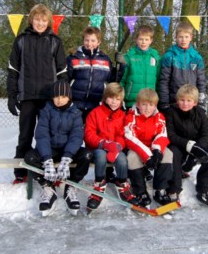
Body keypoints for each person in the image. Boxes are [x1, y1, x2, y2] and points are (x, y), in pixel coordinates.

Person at [7, 4, 67, 184]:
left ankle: (52, 170)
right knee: (25, 135)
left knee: (49, 135)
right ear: (31, 20)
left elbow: (63, 72)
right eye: (37, 19)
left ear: (48, 21)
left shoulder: (55, 41)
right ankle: (21, 172)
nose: (40, 23)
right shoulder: (21, 41)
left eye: (43, 20)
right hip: (27, 97)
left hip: (50, 98)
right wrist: (12, 96)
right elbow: (12, 71)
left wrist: (62, 97)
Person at [24, 81, 92, 216]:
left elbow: (76, 136)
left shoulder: (76, 113)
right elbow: (42, 135)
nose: (59, 100)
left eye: (63, 96)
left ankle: (71, 186)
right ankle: (48, 186)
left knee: (87, 155)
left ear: (69, 97)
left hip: (68, 150)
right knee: (29, 157)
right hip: (50, 150)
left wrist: (67, 157)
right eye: (56, 96)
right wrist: (47, 159)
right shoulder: (46, 110)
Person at [67, 26, 123, 182]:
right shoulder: (74, 57)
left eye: (93, 40)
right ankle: (72, 168)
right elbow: (66, 79)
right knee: (76, 136)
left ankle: (105, 169)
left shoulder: (105, 60)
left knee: (98, 136)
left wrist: (121, 66)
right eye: (86, 40)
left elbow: (113, 80)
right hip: (76, 104)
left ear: (98, 41)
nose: (89, 43)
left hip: (95, 104)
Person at [84, 83, 138, 212]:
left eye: (118, 99)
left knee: (122, 159)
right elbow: (89, 134)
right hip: (97, 147)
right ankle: (99, 184)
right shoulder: (95, 113)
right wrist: (103, 143)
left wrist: (117, 145)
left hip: (115, 148)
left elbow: (122, 134)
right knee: (101, 156)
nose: (114, 102)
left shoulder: (122, 116)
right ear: (105, 98)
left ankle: (122, 183)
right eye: (111, 98)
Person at [117, 25, 160, 182]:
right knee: (133, 134)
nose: (143, 42)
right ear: (136, 40)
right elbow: (122, 77)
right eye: (141, 39)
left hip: (149, 103)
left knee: (146, 135)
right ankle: (134, 167)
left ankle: (146, 165)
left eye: (146, 39)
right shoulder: (130, 56)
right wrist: (120, 94)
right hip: (132, 101)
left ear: (151, 40)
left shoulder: (155, 57)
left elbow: (159, 77)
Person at [165, 84, 208, 207]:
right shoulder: (171, 113)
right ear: (177, 101)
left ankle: (205, 188)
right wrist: (188, 145)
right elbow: (170, 135)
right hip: (178, 145)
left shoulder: (200, 113)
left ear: (194, 102)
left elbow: (206, 134)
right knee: (173, 154)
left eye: (189, 100)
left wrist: (198, 148)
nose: (185, 103)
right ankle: (174, 188)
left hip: (197, 146)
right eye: (182, 100)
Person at [124, 88, 173, 208]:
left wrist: (157, 150)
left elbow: (162, 134)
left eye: (151, 105)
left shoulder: (159, 116)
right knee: (132, 157)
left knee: (168, 153)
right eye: (144, 104)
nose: (147, 108)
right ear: (138, 104)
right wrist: (147, 156)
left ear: (155, 105)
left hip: (152, 147)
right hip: (136, 148)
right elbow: (130, 138)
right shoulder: (131, 116)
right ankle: (140, 191)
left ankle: (160, 189)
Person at [157, 22, 207, 113]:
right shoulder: (169, 56)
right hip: (173, 102)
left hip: (191, 103)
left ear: (191, 37)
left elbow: (201, 82)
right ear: (176, 37)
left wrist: (201, 102)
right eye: (180, 37)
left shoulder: (197, 58)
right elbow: (164, 81)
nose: (183, 40)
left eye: (186, 37)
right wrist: (164, 102)